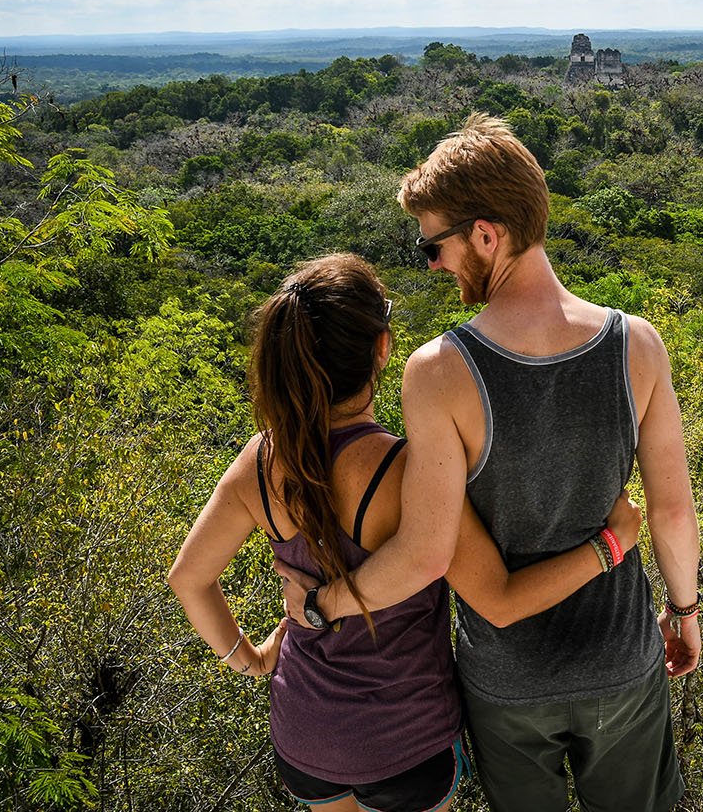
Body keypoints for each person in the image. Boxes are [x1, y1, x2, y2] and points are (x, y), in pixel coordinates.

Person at [278, 113, 702, 812]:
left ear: (485, 233)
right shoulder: (639, 345)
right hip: (619, 660)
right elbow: (674, 513)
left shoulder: (439, 371)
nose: (435, 265)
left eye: (433, 247)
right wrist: (685, 614)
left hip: (507, 681)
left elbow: (430, 551)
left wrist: (319, 608)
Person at [169, 252, 643, 812]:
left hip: (305, 735)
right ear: (382, 349)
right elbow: (500, 599)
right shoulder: (408, 472)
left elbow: (189, 579)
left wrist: (248, 658)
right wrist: (610, 545)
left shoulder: (261, 459)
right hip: (406, 740)